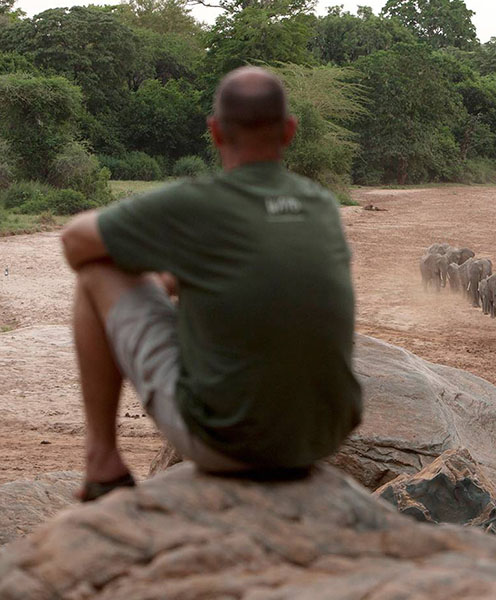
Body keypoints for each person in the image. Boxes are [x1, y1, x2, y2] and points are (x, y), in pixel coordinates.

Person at [60, 66, 362, 501]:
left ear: (215, 132)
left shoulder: (196, 203)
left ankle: (102, 461)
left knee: (95, 272)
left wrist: (155, 272)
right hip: (322, 439)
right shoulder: (321, 204)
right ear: (290, 131)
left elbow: (74, 242)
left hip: (227, 444)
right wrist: (180, 274)